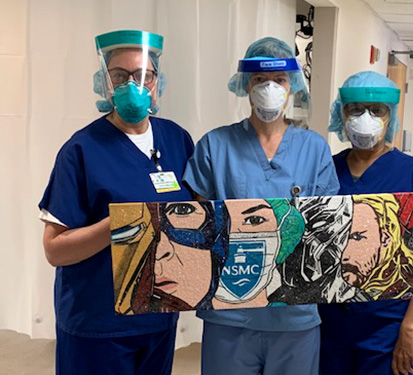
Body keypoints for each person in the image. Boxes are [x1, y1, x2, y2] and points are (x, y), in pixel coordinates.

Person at [182, 37, 338, 375]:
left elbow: (327, 227)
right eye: (259, 80)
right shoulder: (214, 146)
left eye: (279, 81)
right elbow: (199, 227)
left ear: (292, 85)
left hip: (294, 313)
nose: (270, 88)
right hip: (230, 311)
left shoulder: (314, 149)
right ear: (245, 85)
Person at [39, 29, 191, 375]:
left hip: (158, 315)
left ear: (157, 82)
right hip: (98, 321)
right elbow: (55, 250)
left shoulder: (176, 139)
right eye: (120, 77)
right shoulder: (81, 150)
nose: (132, 86)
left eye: (142, 76)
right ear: (104, 83)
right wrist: (121, 225)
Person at [319, 71, 413, 375]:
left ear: (389, 117)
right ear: (342, 114)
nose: (365, 118)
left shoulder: (412, 173)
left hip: (388, 325)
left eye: (376, 110)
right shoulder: (328, 169)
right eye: (355, 110)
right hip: (330, 324)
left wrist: (410, 327)